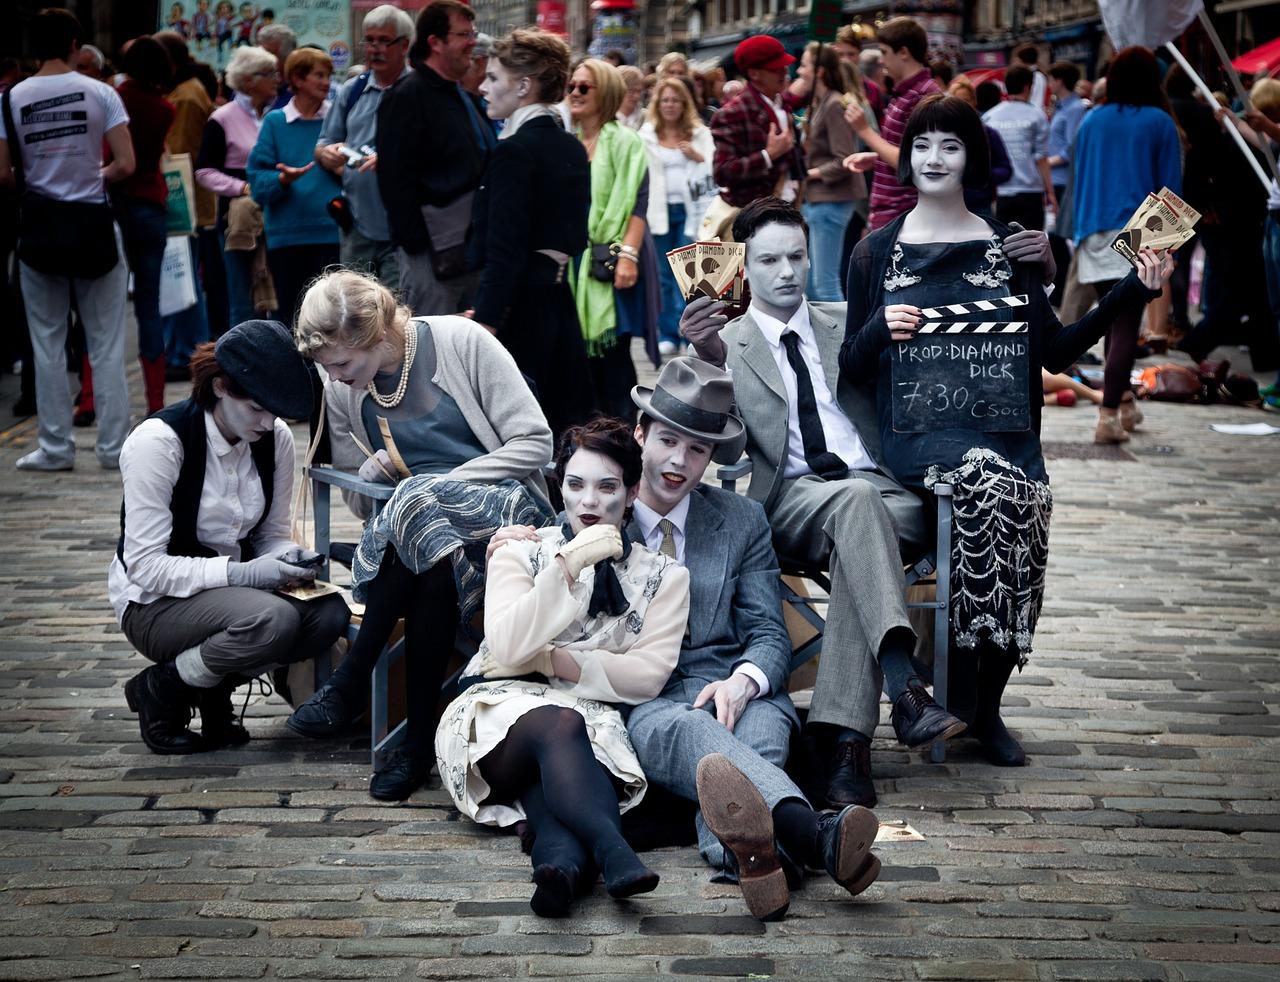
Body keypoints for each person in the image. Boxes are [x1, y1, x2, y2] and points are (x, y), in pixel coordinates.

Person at [839, 95, 1172, 765]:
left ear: (972, 160)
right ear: (905, 156)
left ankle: (981, 707)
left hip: (1006, 432)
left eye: (951, 146)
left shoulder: (1009, 245)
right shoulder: (875, 250)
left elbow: (1058, 351)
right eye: (923, 144)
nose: (935, 158)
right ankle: (966, 706)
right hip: (919, 432)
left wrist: (1135, 288)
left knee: (1021, 503)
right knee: (990, 492)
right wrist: (880, 328)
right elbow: (850, 363)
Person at [679, 198, 974, 808]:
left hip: (885, 496)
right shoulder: (723, 343)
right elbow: (722, 445)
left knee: (860, 511)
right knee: (853, 506)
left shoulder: (850, 321)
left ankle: (848, 746)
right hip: (790, 500)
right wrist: (711, 363)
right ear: (742, 267)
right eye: (769, 260)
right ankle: (901, 686)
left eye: (797, 256)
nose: (787, 271)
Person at [619, 358, 883, 921]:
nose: (678, 462)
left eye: (697, 450)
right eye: (667, 440)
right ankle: (811, 834)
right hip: (650, 700)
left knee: (760, 735)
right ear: (641, 434)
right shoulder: (602, 516)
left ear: (712, 458)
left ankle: (752, 860)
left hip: (737, 686)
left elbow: (767, 632)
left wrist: (743, 681)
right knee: (696, 731)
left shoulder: (741, 520)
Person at [285, 269, 554, 800]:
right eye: (325, 366)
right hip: (418, 545)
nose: (335, 378)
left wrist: (435, 485)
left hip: (507, 516)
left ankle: (350, 680)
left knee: (418, 502)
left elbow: (536, 444)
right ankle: (415, 749)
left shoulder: (461, 342)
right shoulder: (343, 391)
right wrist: (373, 476)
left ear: (378, 334)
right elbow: (363, 506)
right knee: (429, 567)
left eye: (341, 363)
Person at [438, 417, 689, 918]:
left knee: (560, 759)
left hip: (592, 728)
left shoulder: (665, 576)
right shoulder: (519, 551)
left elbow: (648, 676)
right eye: (575, 485)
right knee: (559, 722)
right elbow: (506, 648)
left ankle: (559, 873)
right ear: (561, 488)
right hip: (496, 715)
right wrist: (566, 567)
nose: (589, 502)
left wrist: (552, 659)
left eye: (607, 487)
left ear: (633, 492)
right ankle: (614, 849)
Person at [110, 320, 350, 755]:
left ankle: (208, 685)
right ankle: (162, 688)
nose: (267, 421)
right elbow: (144, 566)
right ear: (220, 388)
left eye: (275, 413)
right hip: (152, 603)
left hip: (234, 593)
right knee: (271, 620)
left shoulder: (271, 437)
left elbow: (272, 534)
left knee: (329, 614)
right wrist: (246, 574)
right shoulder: (159, 443)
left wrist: (288, 558)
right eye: (256, 408)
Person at [0, 7, 134, 473]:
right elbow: (126, 163)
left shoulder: (12, 98)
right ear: (76, 46)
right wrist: (92, 175)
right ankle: (114, 448)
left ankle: (55, 448)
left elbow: (4, 173)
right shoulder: (101, 92)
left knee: (47, 342)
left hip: (39, 230)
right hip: (94, 226)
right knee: (106, 343)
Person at [469, 28, 596, 441]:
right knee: (562, 423)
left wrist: (486, 320)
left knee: (518, 431)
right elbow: (574, 238)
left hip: (518, 310)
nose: (483, 86)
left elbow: (504, 247)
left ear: (523, 85)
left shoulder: (514, 150)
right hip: (559, 304)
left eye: (492, 77)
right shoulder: (570, 146)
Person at [1070, 47, 1182, 443]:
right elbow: (1170, 192)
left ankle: (1125, 403)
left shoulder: (1091, 120)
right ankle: (1109, 413)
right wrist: (1171, 248)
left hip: (1093, 229)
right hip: (1141, 232)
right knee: (1124, 329)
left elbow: (1079, 179)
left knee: (1114, 327)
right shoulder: (1159, 122)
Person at [377, 0, 493, 317]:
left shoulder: (458, 94)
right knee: (431, 350)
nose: (473, 41)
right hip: (432, 259)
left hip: (467, 253)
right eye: (463, 34)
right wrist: (419, 248)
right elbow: (394, 180)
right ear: (435, 42)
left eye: (474, 33)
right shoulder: (407, 95)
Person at [567, 57, 656, 420]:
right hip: (571, 262)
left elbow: (638, 205)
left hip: (609, 259)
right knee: (577, 367)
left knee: (614, 362)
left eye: (584, 87)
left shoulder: (626, 142)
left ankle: (624, 440)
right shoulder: (567, 141)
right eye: (571, 86)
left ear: (605, 93)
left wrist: (628, 256)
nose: (575, 92)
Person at [315, 4, 412, 293]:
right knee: (355, 312)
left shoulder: (418, 91)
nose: (375, 48)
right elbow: (323, 143)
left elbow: (437, 152)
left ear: (404, 45)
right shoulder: (352, 90)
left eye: (384, 40)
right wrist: (326, 153)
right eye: (369, 40)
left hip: (404, 229)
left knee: (397, 313)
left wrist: (393, 160)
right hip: (356, 224)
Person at [247, 46, 340, 331]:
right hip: (288, 238)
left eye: (328, 76)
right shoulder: (276, 122)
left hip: (332, 233)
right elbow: (257, 182)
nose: (326, 82)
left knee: (333, 320)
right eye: (319, 75)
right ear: (297, 80)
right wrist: (283, 180)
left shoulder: (337, 118)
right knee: (292, 320)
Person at [111, 37, 177, 415]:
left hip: (116, 206)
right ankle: (155, 401)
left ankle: (91, 396)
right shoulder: (164, 109)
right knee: (149, 307)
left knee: (103, 308)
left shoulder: (112, 99)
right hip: (152, 206)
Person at [196, 44, 278, 330]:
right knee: (243, 299)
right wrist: (243, 187)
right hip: (237, 222)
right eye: (269, 74)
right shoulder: (222, 118)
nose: (276, 79)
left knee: (274, 298)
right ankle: (240, 368)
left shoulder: (275, 115)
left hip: (275, 214)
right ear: (247, 81)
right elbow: (204, 171)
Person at [841, 16, 943, 231]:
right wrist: (877, 158)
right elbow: (902, 151)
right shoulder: (906, 93)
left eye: (885, 52)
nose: (881, 60)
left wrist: (865, 132)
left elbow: (916, 161)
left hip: (903, 217)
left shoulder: (924, 95)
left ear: (904, 52)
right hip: (892, 216)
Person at [155, 31, 219, 356]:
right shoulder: (187, 90)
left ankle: (186, 350)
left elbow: (176, 155)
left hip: (185, 202)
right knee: (185, 275)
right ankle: (186, 347)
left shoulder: (186, 96)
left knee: (184, 278)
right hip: (190, 200)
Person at [640, 76, 715, 353]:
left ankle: (691, 333)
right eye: (665, 100)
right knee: (662, 275)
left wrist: (698, 157)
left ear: (685, 104)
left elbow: (715, 170)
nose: (670, 105)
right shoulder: (646, 135)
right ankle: (668, 332)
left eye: (675, 100)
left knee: (690, 275)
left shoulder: (699, 134)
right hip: (657, 213)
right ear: (657, 104)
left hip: (691, 212)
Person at [705, 36, 802, 239]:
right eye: (776, 68)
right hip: (748, 223)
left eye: (784, 66)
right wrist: (768, 155)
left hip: (785, 215)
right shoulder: (731, 113)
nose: (785, 72)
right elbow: (723, 173)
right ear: (754, 73)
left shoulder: (781, 103)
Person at [797, 42, 862, 302]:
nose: (799, 71)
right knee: (814, 287)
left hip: (831, 201)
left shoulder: (834, 103)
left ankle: (839, 343)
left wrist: (809, 173)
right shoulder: (822, 102)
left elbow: (844, 159)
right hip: (821, 200)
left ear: (820, 71)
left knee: (824, 286)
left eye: (804, 65)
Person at [982, 65, 1055, 232]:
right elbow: (1041, 158)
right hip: (1031, 192)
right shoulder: (1037, 116)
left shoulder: (990, 116)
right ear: (1027, 87)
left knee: (1006, 247)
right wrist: (1050, 192)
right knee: (1032, 247)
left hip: (1002, 192)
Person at [948, 75, 1013, 219]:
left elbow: (1005, 169)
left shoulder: (988, 133)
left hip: (980, 206)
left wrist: (983, 175)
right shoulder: (941, 135)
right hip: (947, 205)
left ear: (974, 102)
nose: (962, 105)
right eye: (956, 101)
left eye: (966, 100)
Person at [256, 22, 295, 110]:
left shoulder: (304, 96)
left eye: (267, 55)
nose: (258, 60)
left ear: (289, 58)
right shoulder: (246, 88)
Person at [1013, 43, 1048, 113]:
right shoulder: (1035, 75)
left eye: (1018, 61)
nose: (1016, 64)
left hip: (1033, 113)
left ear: (1023, 61)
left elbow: (1035, 100)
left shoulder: (1036, 76)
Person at [617, 64, 645, 129]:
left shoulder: (647, 117)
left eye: (639, 91)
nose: (636, 96)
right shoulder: (606, 118)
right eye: (631, 91)